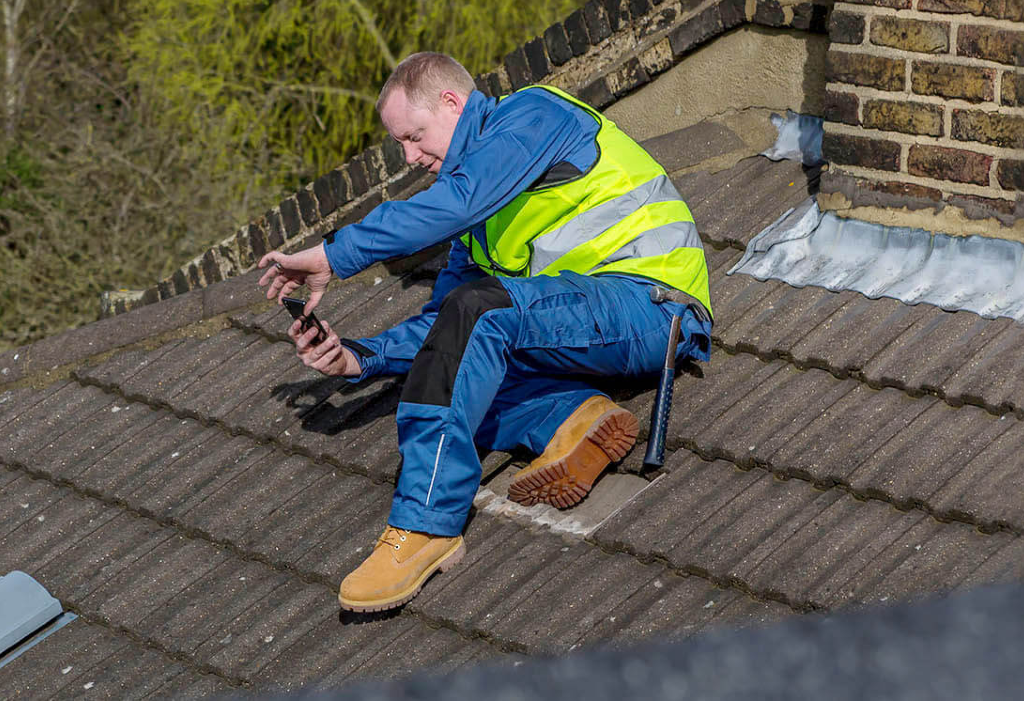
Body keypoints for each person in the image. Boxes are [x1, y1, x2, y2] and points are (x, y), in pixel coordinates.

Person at [258, 52, 712, 613]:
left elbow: (457, 210)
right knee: (455, 369)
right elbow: (445, 326)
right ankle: (569, 418)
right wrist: (360, 357)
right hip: (583, 325)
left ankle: (425, 525)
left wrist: (334, 254)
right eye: (400, 145)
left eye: (415, 136)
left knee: (479, 313)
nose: (410, 157)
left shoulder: (534, 115)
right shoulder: (477, 220)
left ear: (453, 102)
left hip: (654, 308)